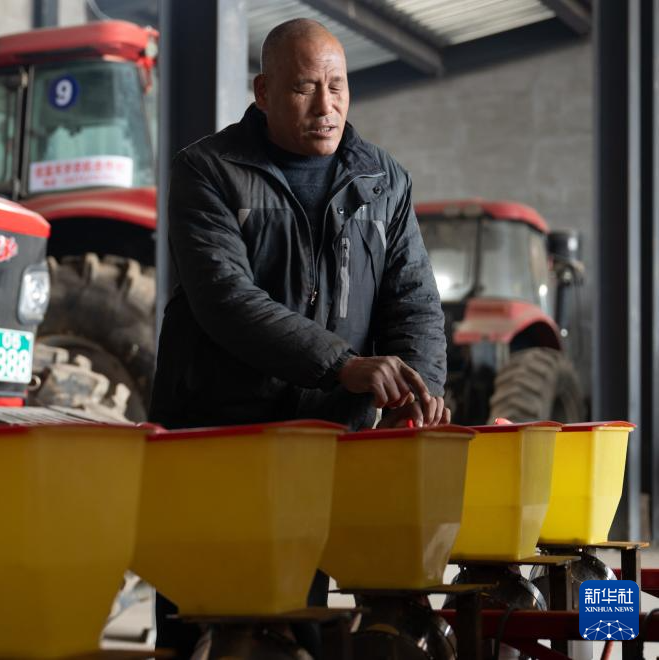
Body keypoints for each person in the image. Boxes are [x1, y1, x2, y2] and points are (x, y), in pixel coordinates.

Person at [147, 17, 450, 655]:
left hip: (319, 442)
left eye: (337, 87)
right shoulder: (209, 171)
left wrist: (420, 388)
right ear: (263, 92)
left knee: (299, 610)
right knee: (198, 618)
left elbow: (414, 303)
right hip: (218, 434)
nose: (325, 106)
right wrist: (343, 363)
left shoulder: (383, 182)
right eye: (304, 88)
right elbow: (225, 299)